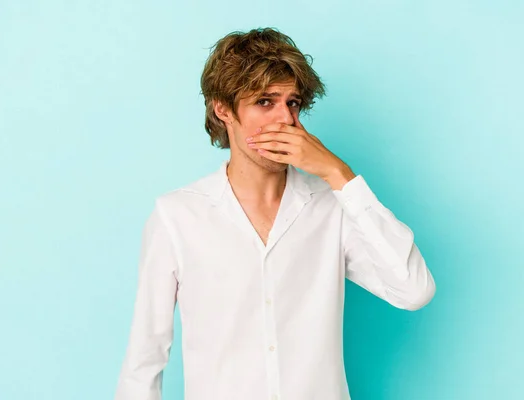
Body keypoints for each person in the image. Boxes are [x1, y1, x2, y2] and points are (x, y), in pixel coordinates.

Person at [114, 27, 435, 400]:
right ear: (223, 109)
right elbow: (144, 360)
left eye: (293, 103)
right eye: (265, 102)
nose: (285, 118)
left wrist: (339, 175)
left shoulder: (334, 207)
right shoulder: (178, 216)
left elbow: (414, 290)